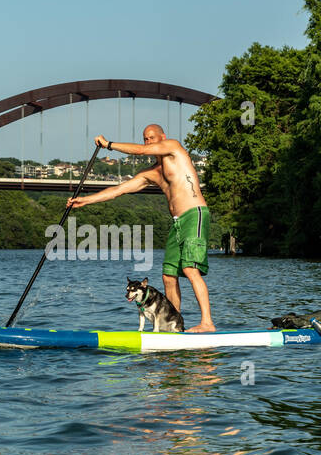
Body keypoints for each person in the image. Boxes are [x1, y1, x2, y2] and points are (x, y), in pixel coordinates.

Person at [67, 124, 215, 332]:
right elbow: (119, 190)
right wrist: (85, 200)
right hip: (177, 222)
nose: (148, 142)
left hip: (194, 214)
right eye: (145, 138)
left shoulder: (174, 148)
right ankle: (172, 325)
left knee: (190, 269)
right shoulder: (151, 173)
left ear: (162, 137)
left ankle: (207, 323)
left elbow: (141, 151)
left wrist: (108, 144)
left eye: (152, 138)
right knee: (168, 276)